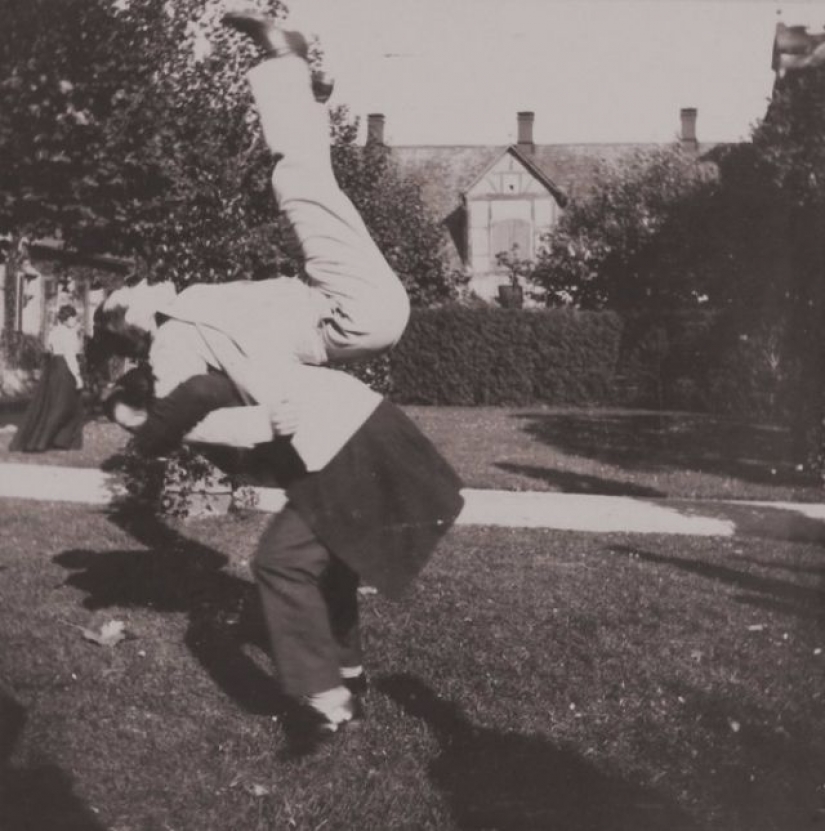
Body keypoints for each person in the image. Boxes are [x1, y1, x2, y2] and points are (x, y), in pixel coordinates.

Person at [98, 12, 463, 755]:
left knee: (303, 184)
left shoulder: (198, 308)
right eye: (120, 300)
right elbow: (203, 409)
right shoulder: (173, 341)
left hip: (330, 333)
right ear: (128, 326)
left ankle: (333, 690)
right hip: (348, 331)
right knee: (299, 184)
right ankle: (340, 686)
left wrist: (156, 431)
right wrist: (152, 431)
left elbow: (216, 409)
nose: (129, 287)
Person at [93, 12, 409, 402]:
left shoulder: (187, 311)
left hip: (351, 308)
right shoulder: (175, 338)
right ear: (136, 320)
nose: (139, 281)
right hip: (352, 314)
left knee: (313, 190)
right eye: (129, 292)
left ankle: (307, 97)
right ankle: (285, 62)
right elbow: (209, 389)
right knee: (297, 186)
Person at [10, 304, 85, 452]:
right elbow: (70, 356)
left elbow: (49, 349)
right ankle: (43, 441)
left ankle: (58, 440)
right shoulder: (68, 334)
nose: (74, 321)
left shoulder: (54, 332)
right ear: (66, 319)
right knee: (64, 406)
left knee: (53, 404)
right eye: (72, 318)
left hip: (54, 369)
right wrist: (77, 376)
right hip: (65, 369)